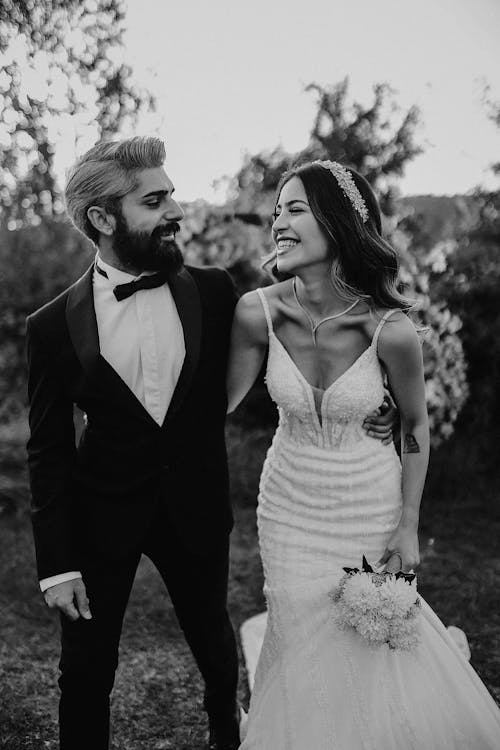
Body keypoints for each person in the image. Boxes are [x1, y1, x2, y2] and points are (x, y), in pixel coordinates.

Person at [226, 160, 500, 749]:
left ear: (340, 223)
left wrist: (408, 524)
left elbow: (418, 423)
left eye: (295, 208)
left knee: (364, 639)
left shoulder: (390, 329)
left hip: (368, 502)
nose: (278, 221)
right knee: (297, 627)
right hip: (288, 502)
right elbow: (214, 406)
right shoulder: (258, 312)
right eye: (277, 210)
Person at [25, 136, 242, 750]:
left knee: (218, 655)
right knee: (87, 674)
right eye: (155, 199)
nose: (176, 209)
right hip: (101, 515)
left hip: (197, 509)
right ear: (103, 218)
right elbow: (47, 449)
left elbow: (288, 359)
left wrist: (377, 399)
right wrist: (57, 565)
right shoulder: (51, 327)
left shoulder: (215, 292)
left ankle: (228, 736)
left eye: (171, 193)